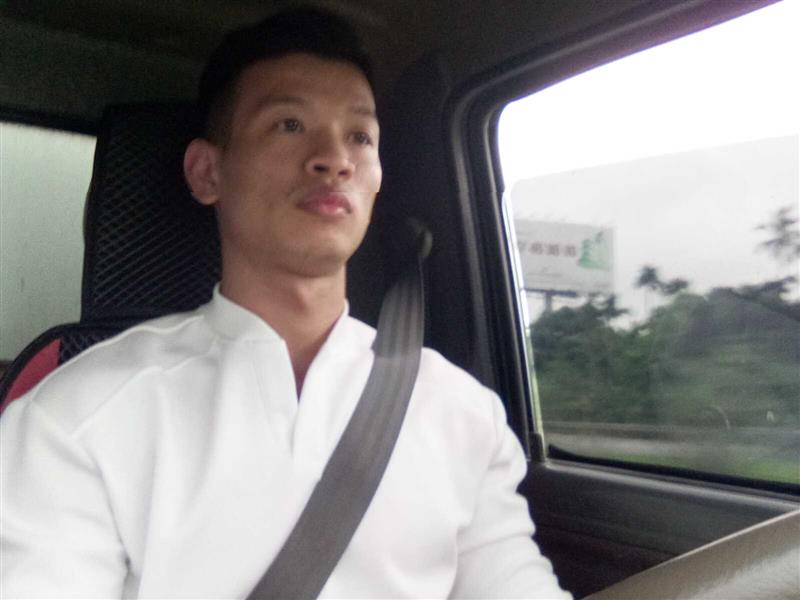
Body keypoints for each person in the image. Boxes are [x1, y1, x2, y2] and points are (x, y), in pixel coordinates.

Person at [0, 8, 569, 599]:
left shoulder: (463, 414)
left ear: (377, 178)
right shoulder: (76, 417)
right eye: (289, 125)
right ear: (207, 171)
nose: (335, 158)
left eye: (360, 136)